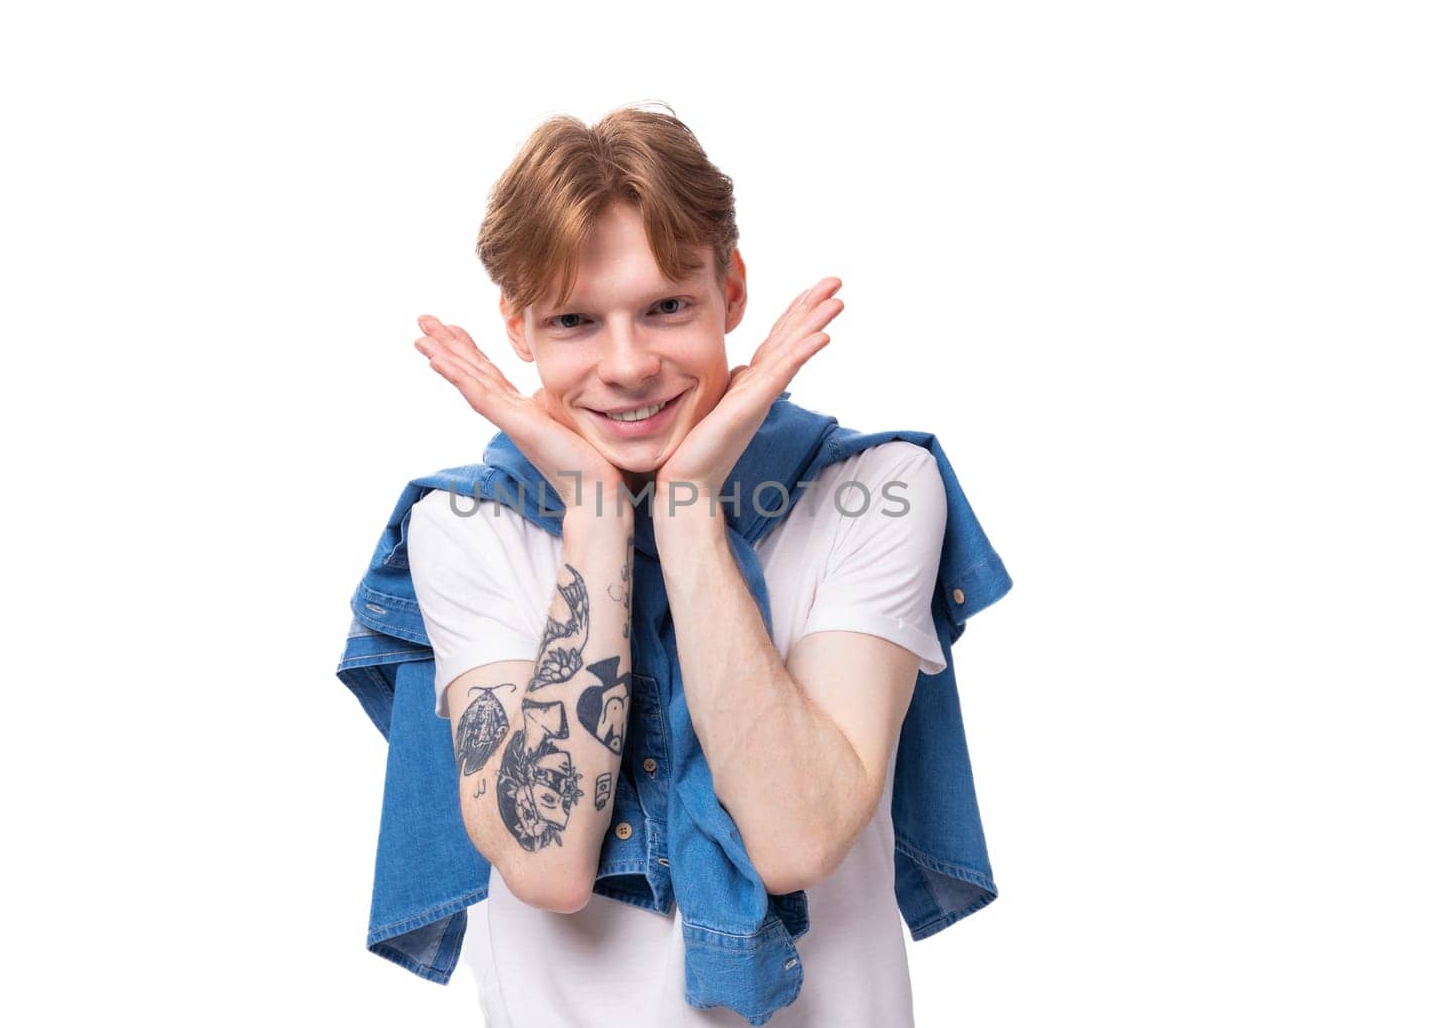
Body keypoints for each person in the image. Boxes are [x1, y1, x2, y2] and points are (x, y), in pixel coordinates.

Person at [338, 103, 1011, 1026]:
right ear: (519, 327)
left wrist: (690, 509)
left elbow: (795, 836)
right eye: (576, 320)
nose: (629, 365)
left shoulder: (879, 488)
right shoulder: (463, 525)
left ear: (731, 289)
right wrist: (597, 518)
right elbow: (546, 861)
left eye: (667, 308)